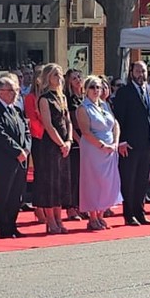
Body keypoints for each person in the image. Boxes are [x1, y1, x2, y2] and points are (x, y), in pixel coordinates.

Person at [0, 75, 31, 238]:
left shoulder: (16, 110)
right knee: (3, 194)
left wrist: (25, 149)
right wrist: (17, 151)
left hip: (21, 159)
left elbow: (26, 131)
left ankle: (12, 225)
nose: (15, 93)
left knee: (16, 195)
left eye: (16, 90)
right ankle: (3, 228)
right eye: (11, 90)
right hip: (4, 160)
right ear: (0, 92)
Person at [113, 59, 150, 226]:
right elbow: (118, 118)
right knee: (129, 180)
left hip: (148, 143)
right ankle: (129, 214)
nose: (142, 75)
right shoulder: (124, 92)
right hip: (130, 144)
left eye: (144, 71)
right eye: (138, 71)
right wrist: (122, 141)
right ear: (132, 73)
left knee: (142, 180)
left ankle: (140, 212)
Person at [76, 75, 121, 231]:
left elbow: (115, 124)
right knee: (93, 182)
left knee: (107, 183)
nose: (96, 90)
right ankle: (93, 216)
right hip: (93, 149)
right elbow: (86, 132)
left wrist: (115, 142)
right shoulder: (83, 108)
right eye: (92, 87)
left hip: (110, 149)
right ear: (86, 90)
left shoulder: (104, 105)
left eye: (98, 87)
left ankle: (101, 214)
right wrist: (101, 145)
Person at [34, 64, 74, 234]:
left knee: (61, 182)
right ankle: (50, 220)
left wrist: (69, 141)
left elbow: (69, 122)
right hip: (50, 146)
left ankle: (59, 218)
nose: (59, 78)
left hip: (64, 144)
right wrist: (60, 143)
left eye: (60, 75)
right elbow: (49, 125)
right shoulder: (44, 99)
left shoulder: (63, 97)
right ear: (48, 78)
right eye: (55, 75)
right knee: (50, 183)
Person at [64, 68, 86, 221]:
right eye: (74, 78)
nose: (78, 80)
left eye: (79, 77)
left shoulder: (84, 98)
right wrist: (79, 140)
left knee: (84, 176)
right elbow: (69, 122)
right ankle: (71, 207)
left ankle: (82, 205)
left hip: (88, 139)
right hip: (77, 141)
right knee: (74, 175)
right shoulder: (69, 99)